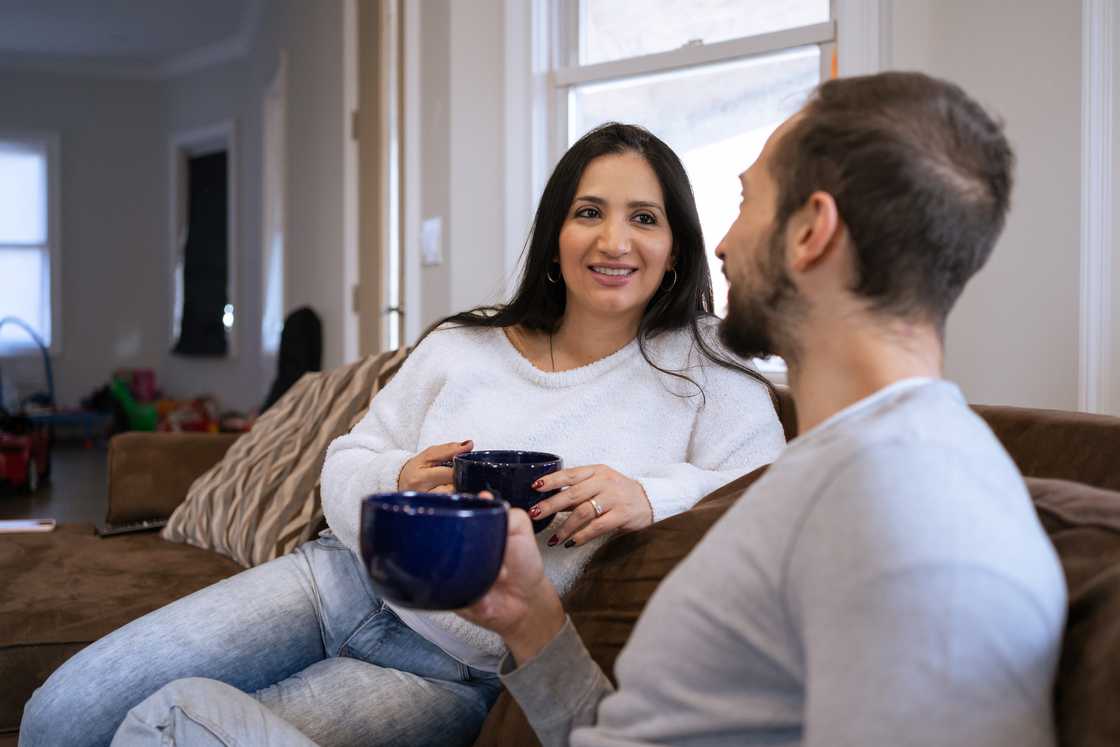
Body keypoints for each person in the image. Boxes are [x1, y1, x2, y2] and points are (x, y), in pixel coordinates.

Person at [19, 124, 785, 747]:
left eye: (643, 218)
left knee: (168, 727)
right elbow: (346, 461)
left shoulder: (710, 370)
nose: (613, 240)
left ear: (677, 244)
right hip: (335, 581)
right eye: (588, 211)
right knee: (59, 716)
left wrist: (650, 491)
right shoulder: (462, 346)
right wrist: (399, 474)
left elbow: (766, 494)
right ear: (555, 233)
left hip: (451, 670)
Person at [458, 71, 1068, 746]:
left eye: (747, 200)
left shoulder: (917, 517)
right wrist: (532, 619)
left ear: (810, 232)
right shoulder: (837, 469)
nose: (719, 244)